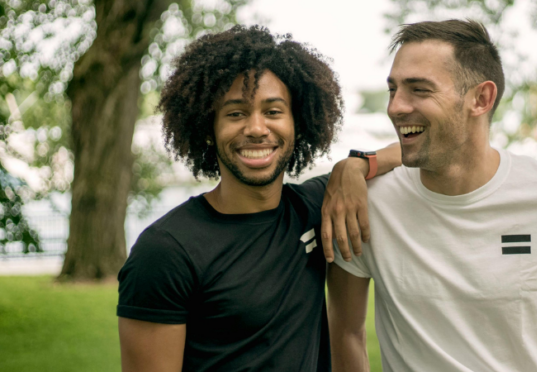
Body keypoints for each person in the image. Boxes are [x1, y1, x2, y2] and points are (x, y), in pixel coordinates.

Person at [325, 19, 537, 372]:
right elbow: (345, 330)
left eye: (419, 90)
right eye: (393, 89)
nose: (396, 107)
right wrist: (353, 167)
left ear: (481, 98)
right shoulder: (366, 205)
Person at [116, 25, 400, 372]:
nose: (256, 128)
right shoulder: (166, 251)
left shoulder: (314, 206)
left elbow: (411, 153)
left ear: (300, 123)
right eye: (235, 113)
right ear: (208, 130)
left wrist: (355, 164)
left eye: (273, 111)